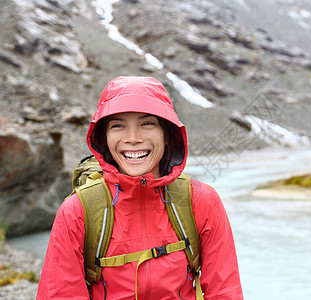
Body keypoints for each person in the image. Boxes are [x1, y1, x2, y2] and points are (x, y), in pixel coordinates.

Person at [37, 76, 243, 299]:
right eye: (118, 126)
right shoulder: (77, 211)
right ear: (104, 138)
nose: (133, 138)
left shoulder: (202, 201)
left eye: (147, 124)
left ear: (167, 136)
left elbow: (225, 292)